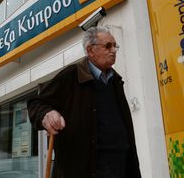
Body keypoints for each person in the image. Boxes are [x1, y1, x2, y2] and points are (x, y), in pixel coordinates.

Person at [28, 26, 141, 178]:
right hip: (85, 170)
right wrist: (46, 114)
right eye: (108, 46)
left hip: (120, 167)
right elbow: (36, 104)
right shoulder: (70, 76)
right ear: (90, 51)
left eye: (115, 46)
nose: (113, 50)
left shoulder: (116, 81)